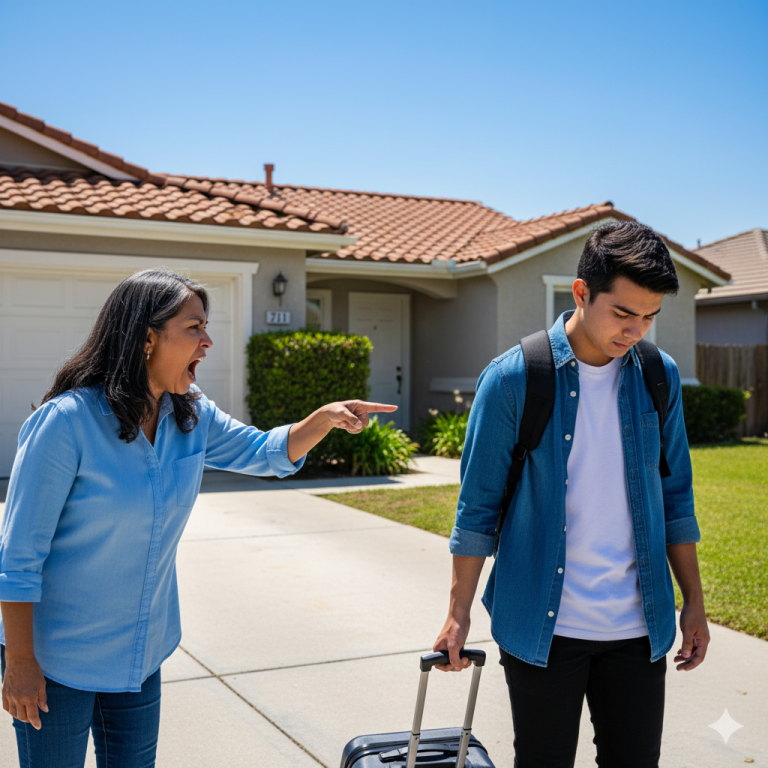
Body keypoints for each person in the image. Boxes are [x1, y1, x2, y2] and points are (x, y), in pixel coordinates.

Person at [0, 268, 396, 768]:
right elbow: (17, 557)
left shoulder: (191, 414)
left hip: (141, 655)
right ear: (147, 337)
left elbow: (264, 451)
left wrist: (323, 419)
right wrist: (18, 661)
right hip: (56, 662)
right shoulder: (66, 423)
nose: (207, 342)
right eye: (194, 328)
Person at [433, 222, 710, 767]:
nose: (637, 330)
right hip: (543, 625)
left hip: (638, 628)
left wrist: (694, 602)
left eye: (650, 316)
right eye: (624, 313)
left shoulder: (659, 376)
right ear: (581, 293)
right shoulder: (514, 379)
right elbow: (477, 509)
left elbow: (676, 497)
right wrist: (457, 613)